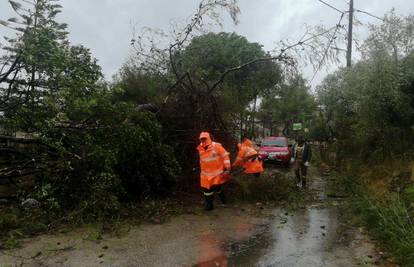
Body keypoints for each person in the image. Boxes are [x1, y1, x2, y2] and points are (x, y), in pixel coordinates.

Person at [197, 132, 231, 211]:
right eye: (201, 139)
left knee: (217, 188)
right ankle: (209, 205)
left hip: (216, 173)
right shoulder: (200, 148)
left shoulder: (216, 146)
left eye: (204, 138)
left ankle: (223, 200)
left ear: (208, 138)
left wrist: (227, 168)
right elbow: (202, 160)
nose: (203, 140)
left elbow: (225, 156)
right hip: (205, 174)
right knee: (206, 190)